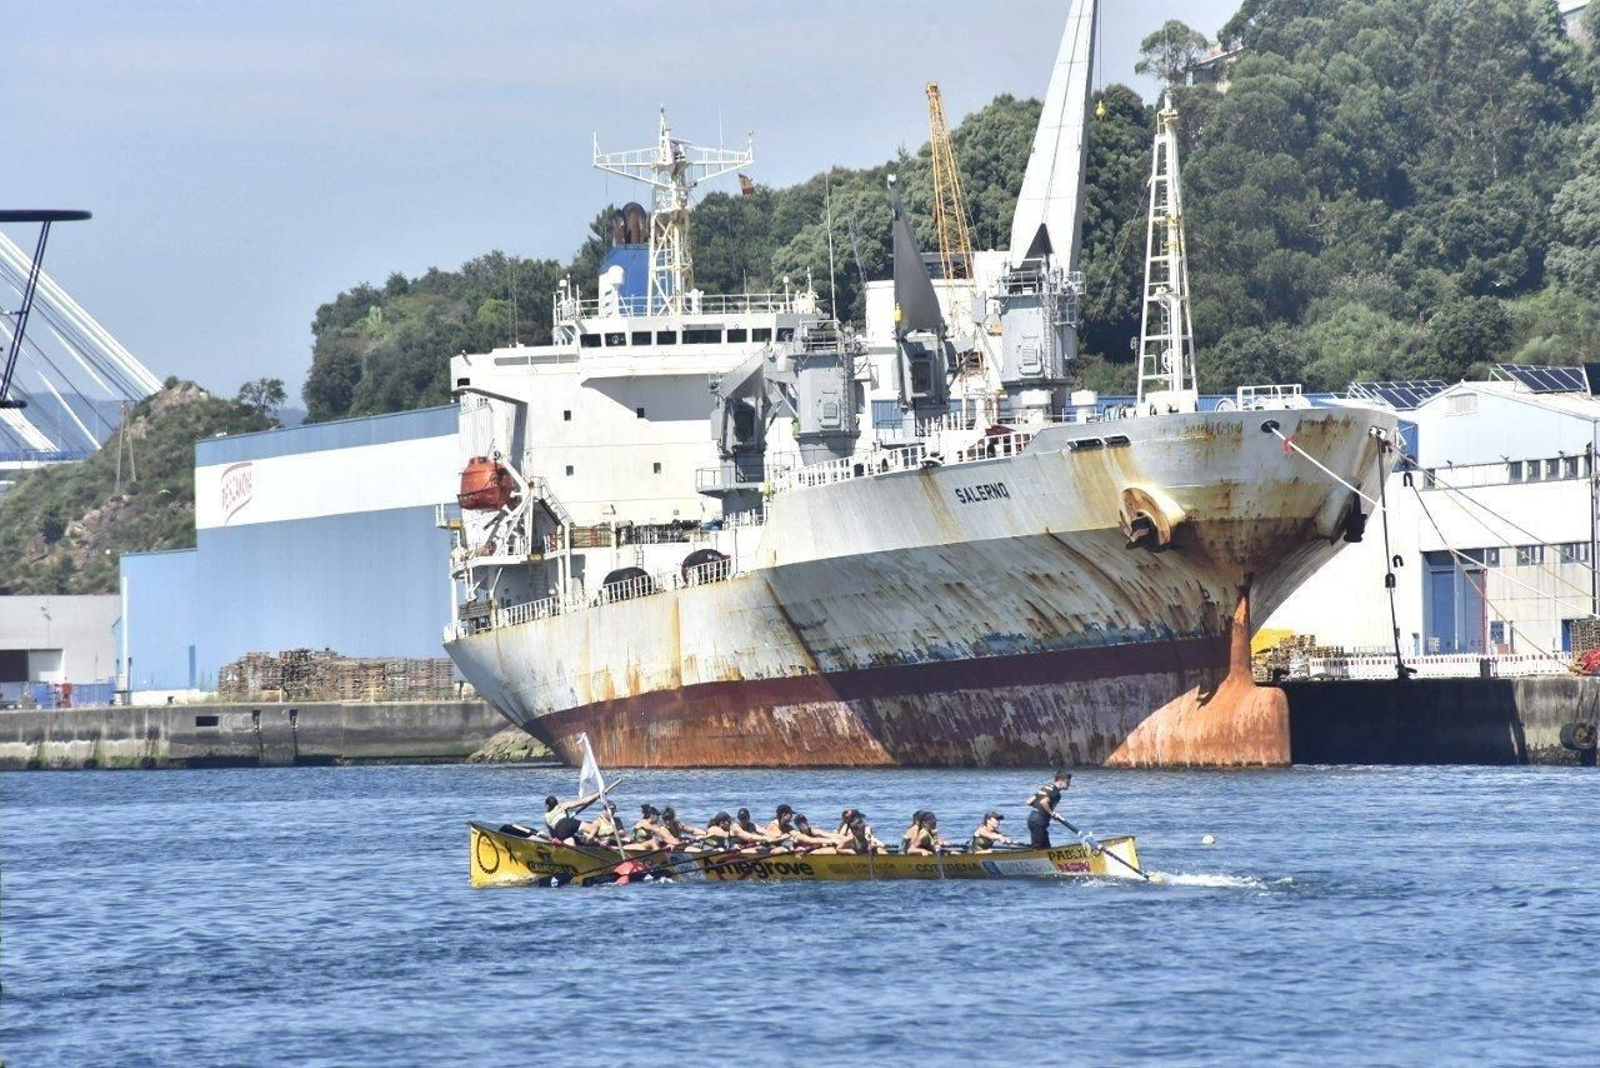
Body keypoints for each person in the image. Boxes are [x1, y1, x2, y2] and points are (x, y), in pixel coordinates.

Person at [1026, 771, 1072, 849]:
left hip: (1032, 818)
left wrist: (1040, 808)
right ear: (1061, 781)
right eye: (1067, 782)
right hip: (1039, 821)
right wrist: (1052, 813)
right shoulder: (1056, 793)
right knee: (1040, 849)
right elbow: (1043, 802)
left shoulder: (1046, 787)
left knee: (1045, 847)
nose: (1069, 785)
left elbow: (1029, 801)